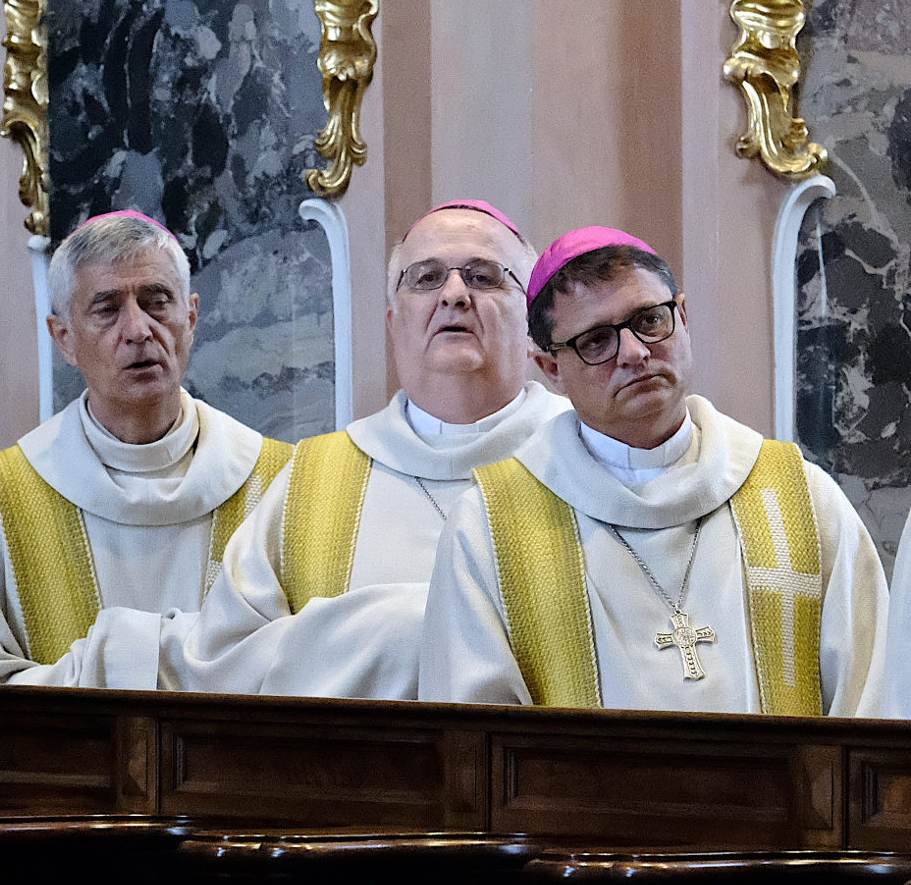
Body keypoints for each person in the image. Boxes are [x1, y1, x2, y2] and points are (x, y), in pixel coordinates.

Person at [420, 227, 887, 715]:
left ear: (682, 317)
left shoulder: (799, 498)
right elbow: (473, 744)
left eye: (649, 321)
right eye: (597, 340)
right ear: (550, 368)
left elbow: (872, 701)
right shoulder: (491, 527)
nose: (635, 352)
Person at [171, 200, 566, 698]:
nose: (455, 295)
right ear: (393, 321)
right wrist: (395, 631)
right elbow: (222, 664)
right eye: (425, 279)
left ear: (532, 326)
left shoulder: (584, 457)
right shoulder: (312, 480)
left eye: (484, 277)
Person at [0, 211, 291, 688]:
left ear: (190, 319)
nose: (139, 329)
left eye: (157, 302)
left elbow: (310, 663)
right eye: (107, 309)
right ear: (64, 338)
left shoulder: (276, 483)